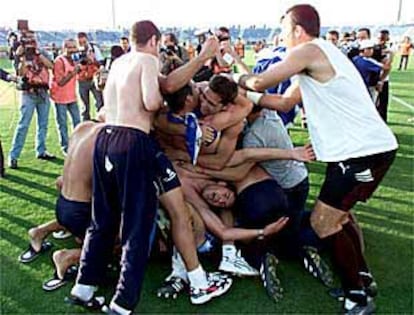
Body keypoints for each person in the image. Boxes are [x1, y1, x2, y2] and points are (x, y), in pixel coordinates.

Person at [234, 4, 398, 314]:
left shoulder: (308, 50)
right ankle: (362, 279)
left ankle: (357, 297)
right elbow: (282, 102)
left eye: (284, 30)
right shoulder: (320, 55)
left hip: (360, 154)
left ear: (297, 30)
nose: (282, 37)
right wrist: (248, 96)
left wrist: (238, 81)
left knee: (323, 223)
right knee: (338, 216)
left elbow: (259, 83)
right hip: (367, 151)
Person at [69, 21, 230, 315]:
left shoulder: (120, 62)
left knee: (102, 219)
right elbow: (154, 98)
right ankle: (123, 302)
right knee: (136, 225)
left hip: (105, 137)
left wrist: (198, 60)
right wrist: (174, 111)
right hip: (133, 141)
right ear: (153, 40)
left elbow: (165, 83)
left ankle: (84, 287)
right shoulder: (147, 59)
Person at [18, 121, 105, 291]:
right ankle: (67, 257)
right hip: (79, 212)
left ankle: (39, 232)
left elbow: (59, 182)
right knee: (118, 243)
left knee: (82, 210)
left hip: (63, 204)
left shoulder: (83, 128)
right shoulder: (108, 138)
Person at [8, 30, 55, 169]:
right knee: (23, 125)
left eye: (32, 40)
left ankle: (41, 150)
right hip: (28, 92)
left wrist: (38, 54)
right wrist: (22, 57)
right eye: (28, 40)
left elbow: (51, 66)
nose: (31, 43)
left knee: (43, 124)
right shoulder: (19, 54)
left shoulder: (42, 53)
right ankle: (13, 156)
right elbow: (20, 73)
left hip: (43, 91)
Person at [50, 39, 81, 155]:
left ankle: (78, 144)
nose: (73, 50)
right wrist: (73, 72)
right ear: (64, 48)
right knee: (62, 124)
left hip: (72, 96)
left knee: (77, 122)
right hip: (60, 97)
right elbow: (60, 82)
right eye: (70, 47)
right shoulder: (59, 61)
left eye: (74, 47)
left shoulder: (74, 60)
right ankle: (65, 147)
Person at [76, 32, 104, 121]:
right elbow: (73, 66)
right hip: (82, 80)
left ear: (87, 40)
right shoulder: (75, 51)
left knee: (99, 104)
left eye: (84, 42)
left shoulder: (93, 49)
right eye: (80, 43)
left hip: (94, 79)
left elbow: (101, 63)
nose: (82, 45)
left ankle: (100, 124)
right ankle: (85, 125)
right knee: (84, 107)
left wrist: (93, 60)